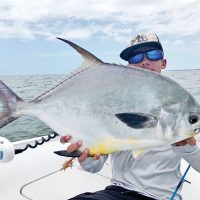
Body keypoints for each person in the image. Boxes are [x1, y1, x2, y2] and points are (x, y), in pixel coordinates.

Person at [60, 33, 200, 200]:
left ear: (163, 62)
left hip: (159, 197)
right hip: (115, 192)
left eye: (153, 54)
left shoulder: (183, 106)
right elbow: (94, 166)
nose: (145, 61)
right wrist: (85, 153)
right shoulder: (112, 102)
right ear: (129, 66)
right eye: (136, 57)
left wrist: (189, 147)